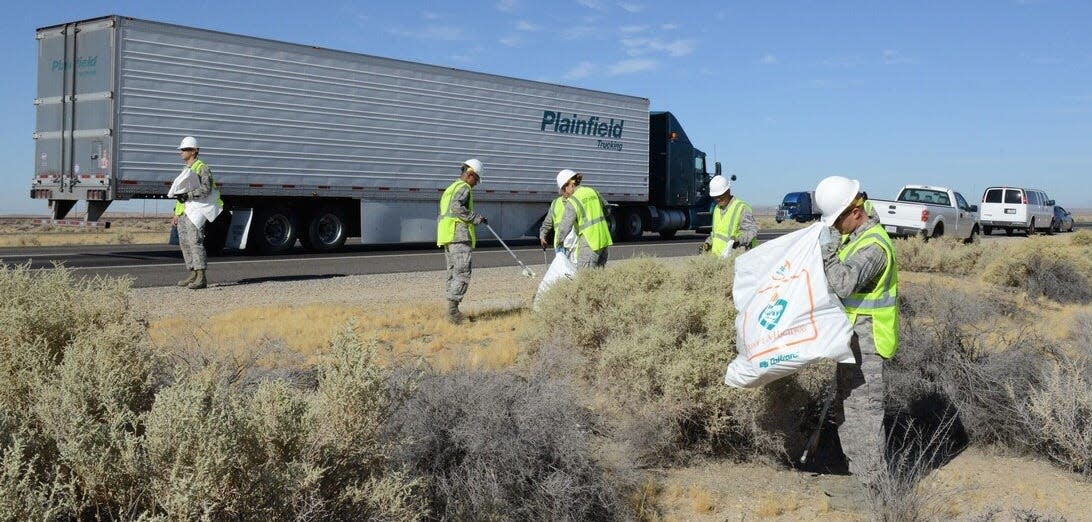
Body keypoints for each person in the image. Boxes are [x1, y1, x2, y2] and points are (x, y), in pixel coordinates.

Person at [814, 175, 899, 496]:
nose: (835, 228)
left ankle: (874, 488)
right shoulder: (855, 236)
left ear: (855, 211)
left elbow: (845, 283)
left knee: (864, 412)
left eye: (837, 221)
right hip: (850, 339)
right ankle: (856, 473)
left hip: (868, 340)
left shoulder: (874, 246)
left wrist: (827, 254)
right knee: (846, 406)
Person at [437, 159, 487, 324]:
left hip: (447, 235)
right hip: (457, 235)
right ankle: (453, 313)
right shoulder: (464, 187)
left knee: (453, 272)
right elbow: (456, 207)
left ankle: (452, 310)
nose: (476, 184)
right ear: (470, 174)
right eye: (476, 179)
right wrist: (475, 218)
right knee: (463, 272)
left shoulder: (451, 187)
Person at [170, 136, 221, 290]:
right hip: (185, 211)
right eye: (181, 149)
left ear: (193, 151)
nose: (181, 152)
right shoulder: (186, 169)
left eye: (184, 149)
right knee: (185, 242)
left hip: (196, 211)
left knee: (195, 242)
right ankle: (193, 273)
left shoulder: (202, 167)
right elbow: (180, 193)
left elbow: (206, 189)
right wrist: (176, 213)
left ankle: (201, 277)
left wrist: (189, 196)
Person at [553, 169, 612, 269]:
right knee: (599, 275)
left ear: (570, 184)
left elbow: (565, 225)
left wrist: (559, 242)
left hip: (589, 242)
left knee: (584, 276)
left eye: (564, 189)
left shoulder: (573, 200)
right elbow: (607, 209)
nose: (564, 193)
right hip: (603, 239)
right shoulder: (593, 191)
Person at [699, 175, 758, 256]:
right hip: (718, 258)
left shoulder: (741, 208)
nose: (718, 199)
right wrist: (707, 244)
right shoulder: (717, 209)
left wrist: (738, 241)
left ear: (728, 191)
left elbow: (752, 231)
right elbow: (716, 234)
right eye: (715, 197)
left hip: (736, 258)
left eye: (721, 196)